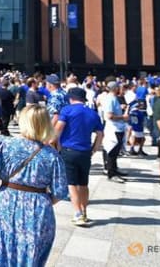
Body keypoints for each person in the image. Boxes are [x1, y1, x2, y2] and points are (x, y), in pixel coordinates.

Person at [0, 104, 69, 267]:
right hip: (39, 209)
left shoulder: (4, 144)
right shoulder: (52, 155)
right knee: (30, 253)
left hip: (6, 201)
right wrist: (43, 200)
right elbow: (60, 191)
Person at [50, 87, 103, 226]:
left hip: (69, 150)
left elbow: (59, 127)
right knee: (83, 183)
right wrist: (94, 149)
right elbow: (100, 134)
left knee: (71, 184)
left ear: (71, 98)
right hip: (85, 151)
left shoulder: (67, 110)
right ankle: (84, 211)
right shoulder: (93, 113)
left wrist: (52, 142)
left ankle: (77, 213)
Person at [97, 81, 128, 182]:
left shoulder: (112, 98)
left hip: (117, 127)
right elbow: (109, 116)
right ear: (115, 88)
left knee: (115, 151)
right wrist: (123, 117)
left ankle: (114, 169)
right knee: (112, 151)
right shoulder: (110, 99)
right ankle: (111, 173)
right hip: (114, 128)